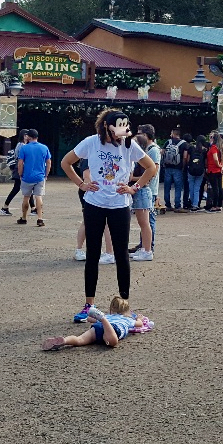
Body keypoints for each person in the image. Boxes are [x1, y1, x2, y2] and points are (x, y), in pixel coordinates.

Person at [60, 109, 156, 323]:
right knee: (92, 254)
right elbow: (66, 162)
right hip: (94, 203)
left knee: (121, 255)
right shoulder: (91, 142)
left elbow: (151, 167)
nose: (119, 137)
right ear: (106, 127)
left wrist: (134, 188)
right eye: (115, 132)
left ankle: (124, 305)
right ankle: (89, 305)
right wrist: (82, 184)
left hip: (120, 205)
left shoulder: (129, 145)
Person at [41, 296, 152, 350]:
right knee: (113, 342)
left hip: (98, 327)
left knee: (79, 340)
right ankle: (103, 320)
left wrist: (96, 318)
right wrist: (139, 318)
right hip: (113, 328)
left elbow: (90, 319)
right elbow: (139, 324)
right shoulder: (127, 319)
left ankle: (65, 340)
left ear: (112, 309)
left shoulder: (109, 316)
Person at [130, 129, 159, 260]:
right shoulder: (139, 159)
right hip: (141, 191)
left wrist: (132, 179)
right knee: (144, 223)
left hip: (142, 191)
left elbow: (149, 176)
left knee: (145, 223)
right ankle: (144, 248)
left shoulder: (142, 160)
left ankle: (147, 250)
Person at [15, 129, 51, 226]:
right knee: (38, 196)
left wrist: (20, 174)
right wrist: (46, 174)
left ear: (28, 137)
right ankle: (40, 218)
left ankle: (24, 217)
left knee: (26, 197)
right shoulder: (44, 147)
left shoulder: (24, 148)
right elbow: (48, 162)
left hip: (27, 176)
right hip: (40, 176)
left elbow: (20, 163)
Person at [161, 127, 186, 211]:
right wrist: (183, 166)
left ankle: (168, 205)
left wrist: (164, 162)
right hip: (178, 168)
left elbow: (162, 152)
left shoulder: (168, 142)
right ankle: (177, 205)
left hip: (168, 168)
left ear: (174, 134)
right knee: (178, 187)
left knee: (167, 187)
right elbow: (185, 157)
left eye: (171, 133)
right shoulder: (183, 143)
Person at [204, 132, 223, 213]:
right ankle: (219, 205)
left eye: (211, 137)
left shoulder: (213, 147)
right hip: (218, 170)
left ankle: (214, 206)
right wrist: (222, 166)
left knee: (215, 188)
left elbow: (215, 158)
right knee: (219, 188)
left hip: (213, 169)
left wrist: (218, 165)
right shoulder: (221, 147)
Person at [184, 134, 207, 212]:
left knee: (191, 187)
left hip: (191, 170)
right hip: (200, 171)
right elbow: (205, 162)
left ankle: (191, 203)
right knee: (197, 188)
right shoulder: (204, 150)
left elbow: (187, 159)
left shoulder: (191, 148)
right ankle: (195, 205)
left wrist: (188, 165)